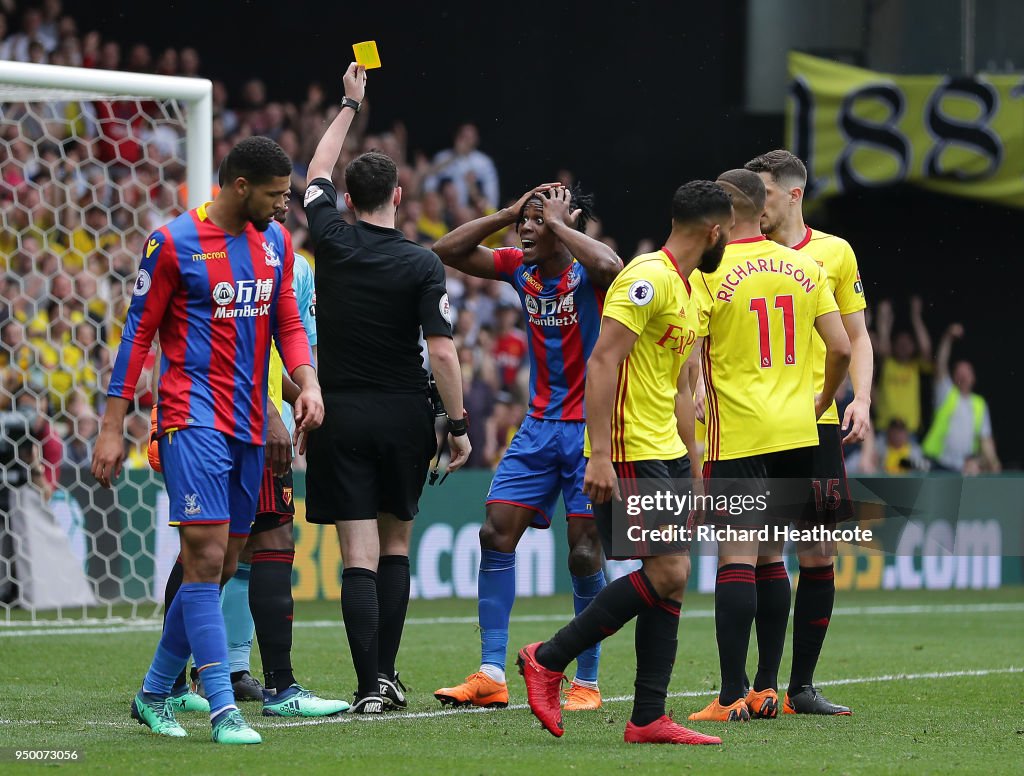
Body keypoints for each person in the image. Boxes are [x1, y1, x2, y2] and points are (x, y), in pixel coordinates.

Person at [92, 136, 324, 744]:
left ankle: (152, 694)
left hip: (250, 422)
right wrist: (113, 427)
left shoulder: (273, 241)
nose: (283, 206)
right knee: (201, 558)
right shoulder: (171, 243)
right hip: (190, 419)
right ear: (240, 186)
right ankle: (224, 709)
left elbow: (288, 324)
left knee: (220, 565)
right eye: (275, 195)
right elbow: (136, 337)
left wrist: (308, 382)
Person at [516, 180, 734, 746]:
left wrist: (695, 464)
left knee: (674, 583)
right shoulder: (646, 277)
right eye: (727, 230)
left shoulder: (689, 289)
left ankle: (647, 718)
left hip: (666, 450)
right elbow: (603, 362)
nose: (729, 239)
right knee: (667, 572)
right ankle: (548, 657)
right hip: (631, 446)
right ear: (712, 231)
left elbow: (683, 385)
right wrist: (602, 455)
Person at [302, 64, 471, 715]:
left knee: (357, 556)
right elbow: (444, 350)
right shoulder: (421, 262)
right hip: (404, 413)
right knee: (395, 545)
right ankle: (390, 677)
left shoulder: (334, 242)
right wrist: (456, 425)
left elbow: (315, 170)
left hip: (341, 414)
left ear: (347, 198)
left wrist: (349, 105)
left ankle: (370, 685)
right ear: (398, 197)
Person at [431, 182, 623, 711]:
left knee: (585, 552)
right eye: (526, 221)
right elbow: (445, 252)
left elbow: (613, 266)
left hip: (590, 429)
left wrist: (560, 224)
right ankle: (492, 672)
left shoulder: (590, 272)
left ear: (568, 221)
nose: (527, 228)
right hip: (537, 428)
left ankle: (586, 682)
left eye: (539, 219)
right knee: (495, 533)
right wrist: (509, 212)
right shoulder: (522, 268)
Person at [688, 169, 850, 723]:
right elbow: (842, 348)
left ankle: (731, 695)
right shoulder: (807, 267)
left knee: (735, 557)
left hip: (739, 431)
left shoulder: (709, 273)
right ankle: (766, 689)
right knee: (771, 558)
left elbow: (689, 361)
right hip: (797, 432)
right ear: (763, 208)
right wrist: (819, 401)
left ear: (729, 213)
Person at [744, 149, 872, 715]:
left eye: (763, 194)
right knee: (765, 552)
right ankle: (762, 685)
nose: (755, 205)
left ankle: (801, 687)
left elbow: (857, 337)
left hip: (816, 423)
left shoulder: (834, 252)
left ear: (792, 195)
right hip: (757, 426)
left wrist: (860, 398)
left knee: (818, 553)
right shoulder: (743, 256)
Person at [922, 323, 1000, 473]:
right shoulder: (946, 393)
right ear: (954, 376)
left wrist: (994, 463)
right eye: (960, 372)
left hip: (964, 466)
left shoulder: (980, 404)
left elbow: (985, 439)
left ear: (974, 378)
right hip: (937, 464)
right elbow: (941, 364)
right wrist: (947, 338)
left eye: (967, 372)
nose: (963, 376)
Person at [874, 297, 932, 437]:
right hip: (884, 432)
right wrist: (884, 318)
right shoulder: (887, 363)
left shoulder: (915, 366)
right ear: (894, 345)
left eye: (908, 343)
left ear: (914, 347)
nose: (904, 346)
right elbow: (883, 346)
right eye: (900, 343)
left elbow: (926, 350)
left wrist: (916, 317)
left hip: (910, 433)